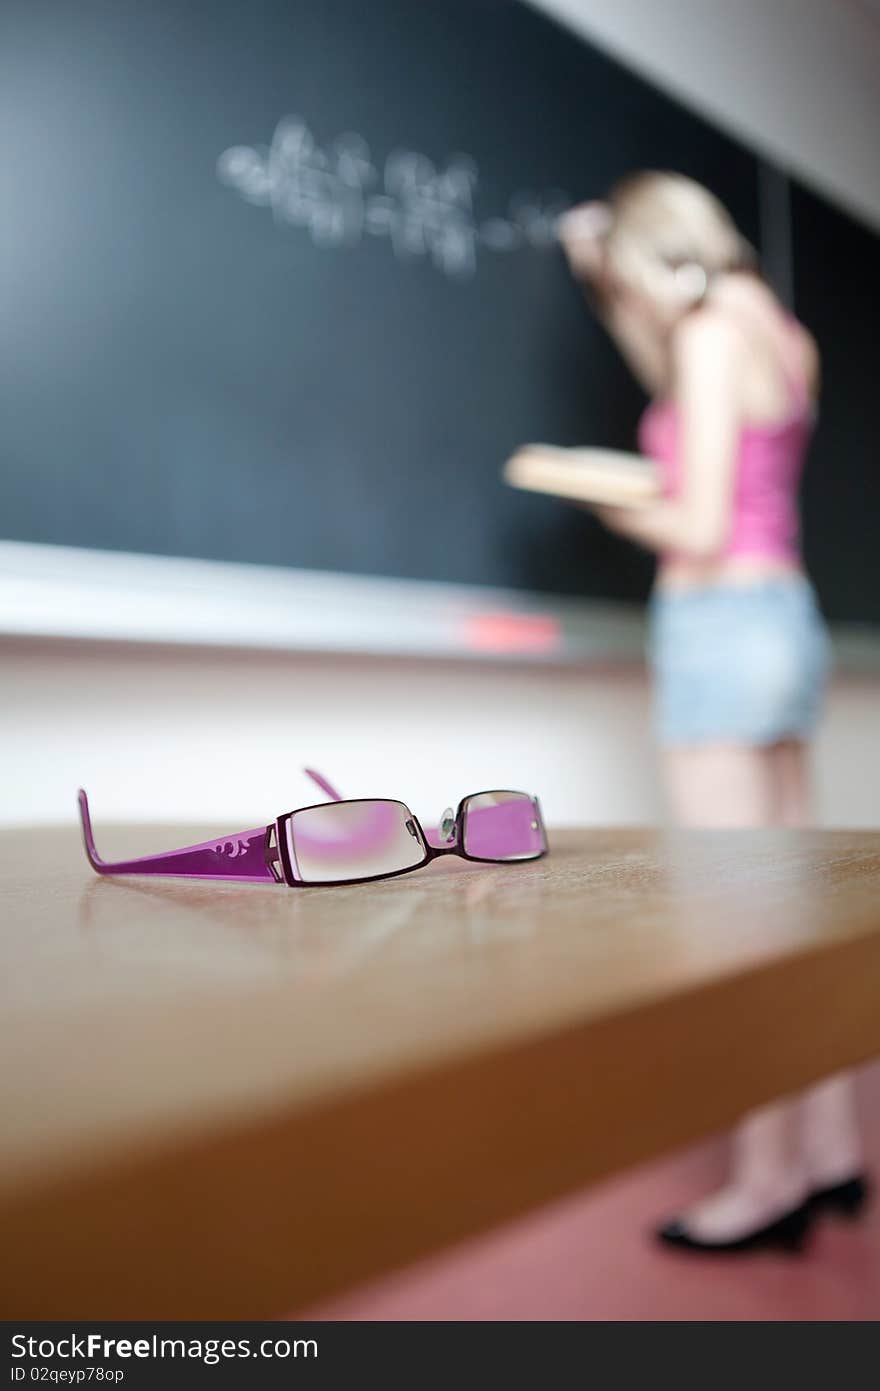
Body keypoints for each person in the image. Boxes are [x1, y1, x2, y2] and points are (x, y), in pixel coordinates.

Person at [557, 171, 868, 1252]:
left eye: (633, 276)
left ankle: (763, 1182)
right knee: (796, 904)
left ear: (662, 257)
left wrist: (594, 489)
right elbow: (721, 451)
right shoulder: (780, 333)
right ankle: (831, 1152)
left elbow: (693, 518)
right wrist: (605, 282)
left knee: (740, 927)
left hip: (716, 624)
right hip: (783, 612)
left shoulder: (699, 337)